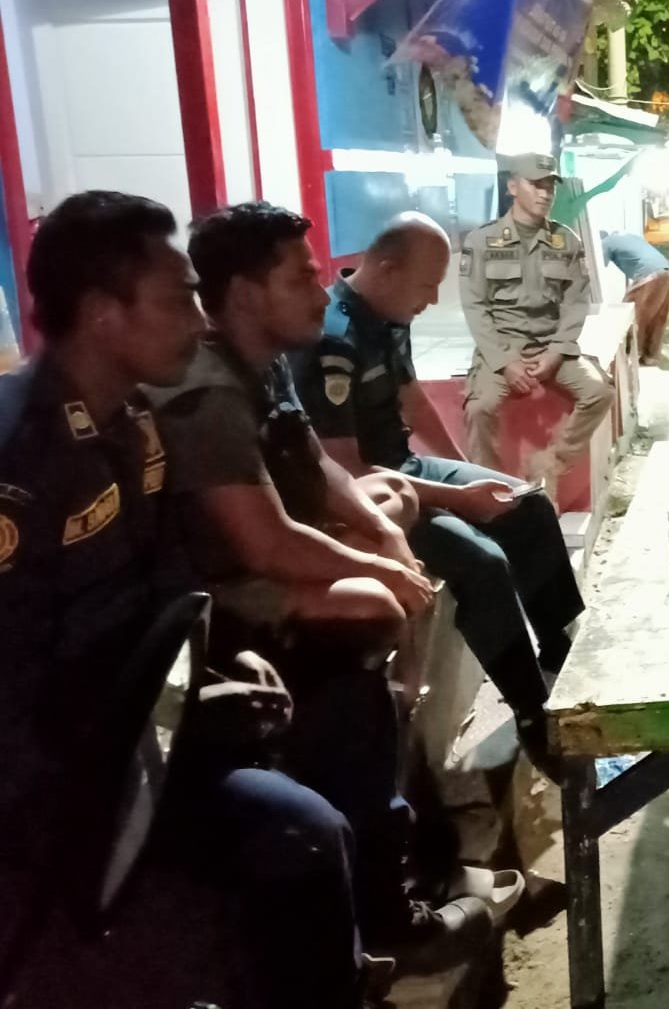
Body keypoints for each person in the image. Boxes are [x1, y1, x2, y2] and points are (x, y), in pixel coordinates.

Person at [0, 191, 370, 1008]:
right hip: (57, 799)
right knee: (293, 841)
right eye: (178, 299)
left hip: (142, 740)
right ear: (103, 313)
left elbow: (170, 591)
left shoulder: (134, 422)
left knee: (330, 766)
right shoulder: (18, 461)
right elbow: (21, 701)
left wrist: (219, 665)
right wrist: (168, 720)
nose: (201, 323)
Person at [145, 203, 491, 970]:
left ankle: (414, 848)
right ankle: (386, 908)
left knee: (389, 509)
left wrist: (385, 538)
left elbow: (320, 465)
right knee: (373, 613)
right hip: (222, 595)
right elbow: (261, 542)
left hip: (269, 558)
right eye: (301, 277)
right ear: (244, 293)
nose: (322, 289)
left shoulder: (267, 360)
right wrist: (383, 569)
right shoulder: (206, 390)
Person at [292, 211, 584, 771]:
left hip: (406, 467)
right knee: (483, 562)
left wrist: (465, 471)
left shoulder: (389, 315)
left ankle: (558, 646)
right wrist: (460, 499)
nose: (431, 300)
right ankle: (532, 714)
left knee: (526, 503)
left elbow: (412, 399)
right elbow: (348, 474)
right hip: (369, 500)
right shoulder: (333, 340)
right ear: (387, 268)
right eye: (427, 285)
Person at [460, 152, 615, 479]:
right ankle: (489, 486)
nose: (545, 194)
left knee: (599, 392)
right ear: (512, 187)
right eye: (536, 185)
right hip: (503, 347)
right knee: (479, 408)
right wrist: (505, 363)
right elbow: (475, 306)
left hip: (551, 344)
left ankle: (551, 465)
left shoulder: (566, 241)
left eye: (550, 186)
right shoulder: (482, 241)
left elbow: (576, 302)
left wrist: (557, 352)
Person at [600, 229, 669, 364]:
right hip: (665, 270)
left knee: (629, 313)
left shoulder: (605, 243)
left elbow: (596, 267)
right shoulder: (627, 236)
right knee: (657, 316)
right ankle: (651, 356)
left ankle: (631, 357)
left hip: (648, 273)